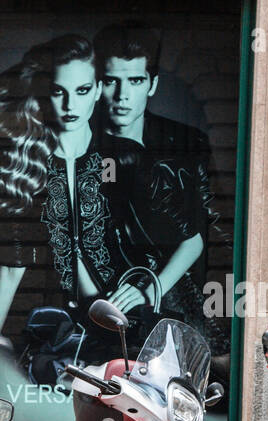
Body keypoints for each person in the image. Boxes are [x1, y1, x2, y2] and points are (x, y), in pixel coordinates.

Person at [0, 35, 116, 341]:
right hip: (44, 320)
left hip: (113, 317)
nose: (70, 105)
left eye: (81, 91)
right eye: (58, 92)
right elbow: (13, 265)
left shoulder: (118, 156)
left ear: (97, 90)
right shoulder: (28, 163)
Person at [92, 22, 218, 347]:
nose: (122, 96)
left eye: (135, 81)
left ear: (152, 84)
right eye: (111, 81)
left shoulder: (188, 143)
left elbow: (215, 233)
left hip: (184, 302)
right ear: (96, 85)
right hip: (109, 302)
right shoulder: (83, 149)